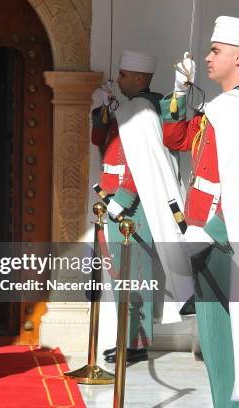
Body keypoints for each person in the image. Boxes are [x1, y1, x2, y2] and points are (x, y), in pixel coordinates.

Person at [91, 50, 190, 364]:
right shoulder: (127, 108)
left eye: (122, 75)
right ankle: (127, 339)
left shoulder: (145, 110)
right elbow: (99, 139)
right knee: (122, 277)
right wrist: (104, 110)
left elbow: (141, 164)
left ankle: (136, 343)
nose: (118, 80)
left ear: (137, 77)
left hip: (131, 206)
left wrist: (122, 200)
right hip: (112, 200)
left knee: (136, 276)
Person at [161, 16, 239, 407]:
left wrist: (216, 230)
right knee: (215, 338)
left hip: (223, 239)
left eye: (216, 50)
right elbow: (175, 137)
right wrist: (178, 91)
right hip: (205, 238)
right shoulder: (219, 108)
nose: (208, 57)